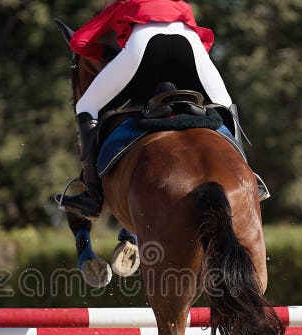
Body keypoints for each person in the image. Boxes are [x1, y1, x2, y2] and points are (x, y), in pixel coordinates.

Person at [56, 0, 237, 220]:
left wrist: (107, 54)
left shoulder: (125, 2)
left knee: (86, 105)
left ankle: (92, 194)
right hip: (190, 45)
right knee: (225, 104)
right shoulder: (178, 3)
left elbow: (79, 41)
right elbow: (205, 41)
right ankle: (248, 178)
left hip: (143, 44)